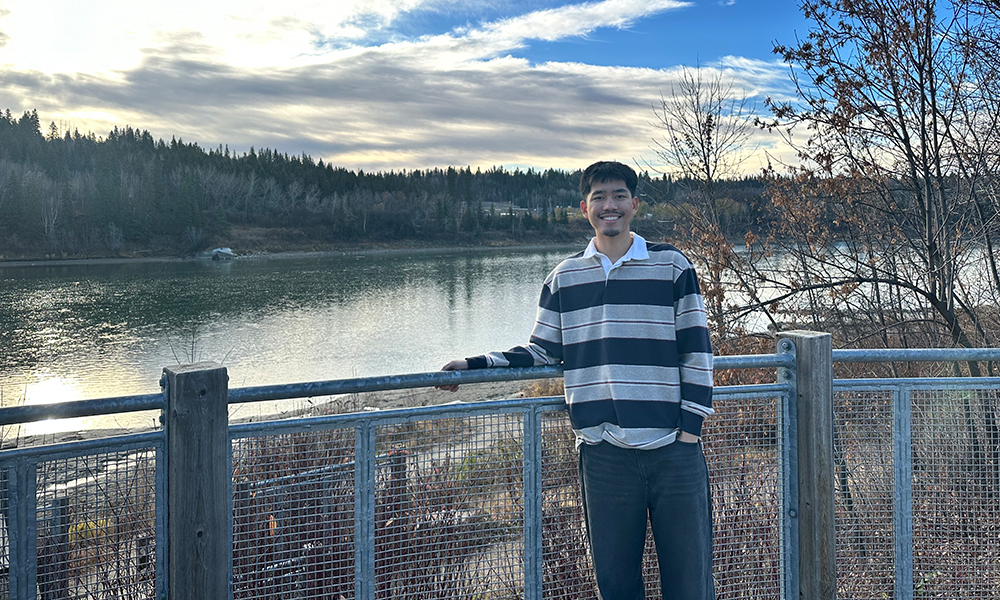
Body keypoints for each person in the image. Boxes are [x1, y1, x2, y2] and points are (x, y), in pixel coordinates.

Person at [439, 160, 715, 600]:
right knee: (616, 584)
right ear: (584, 208)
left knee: (690, 584)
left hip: (673, 453)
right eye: (600, 197)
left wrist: (689, 433)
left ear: (635, 204)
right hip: (603, 455)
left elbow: (697, 351)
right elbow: (540, 351)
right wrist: (473, 365)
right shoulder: (564, 277)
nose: (610, 206)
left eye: (619, 196)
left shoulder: (673, 267)